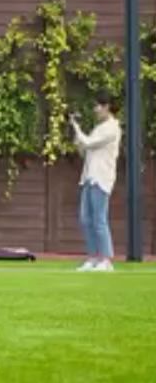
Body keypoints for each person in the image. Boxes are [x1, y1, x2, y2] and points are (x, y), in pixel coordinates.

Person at [70, 93, 122, 272]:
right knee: (85, 219)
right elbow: (84, 150)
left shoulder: (112, 128)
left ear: (106, 106)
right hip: (89, 176)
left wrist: (76, 127)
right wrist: (78, 139)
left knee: (99, 219)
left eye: (97, 106)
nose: (95, 109)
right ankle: (93, 258)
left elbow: (89, 143)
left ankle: (106, 260)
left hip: (102, 177)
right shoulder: (99, 128)